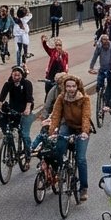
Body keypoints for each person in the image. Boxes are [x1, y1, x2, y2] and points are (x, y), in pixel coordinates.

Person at [44, 73, 93, 201]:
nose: (70, 89)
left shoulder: (84, 99)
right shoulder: (61, 98)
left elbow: (86, 117)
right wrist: (52, 131)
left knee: (80, 159)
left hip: (81, 129)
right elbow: (56, 115)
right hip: (68, 125)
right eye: (68, 86)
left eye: (73, 86)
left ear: (77, 87)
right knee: (59, 149)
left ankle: (83, 188)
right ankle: (59, 171)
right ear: (64, 87)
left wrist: (84, 132)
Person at [0, 65, 36, 160]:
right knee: (3, 124)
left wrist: (27, 109)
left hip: (24, 112)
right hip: (13, 111)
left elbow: (29, 99)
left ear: (22, 75)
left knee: (25, 135)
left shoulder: (27, 84)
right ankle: (10, 145)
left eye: (18, 75)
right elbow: (1, 97)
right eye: (14, 75)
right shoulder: (8, 84)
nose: (16, 77)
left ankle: (28, 155)